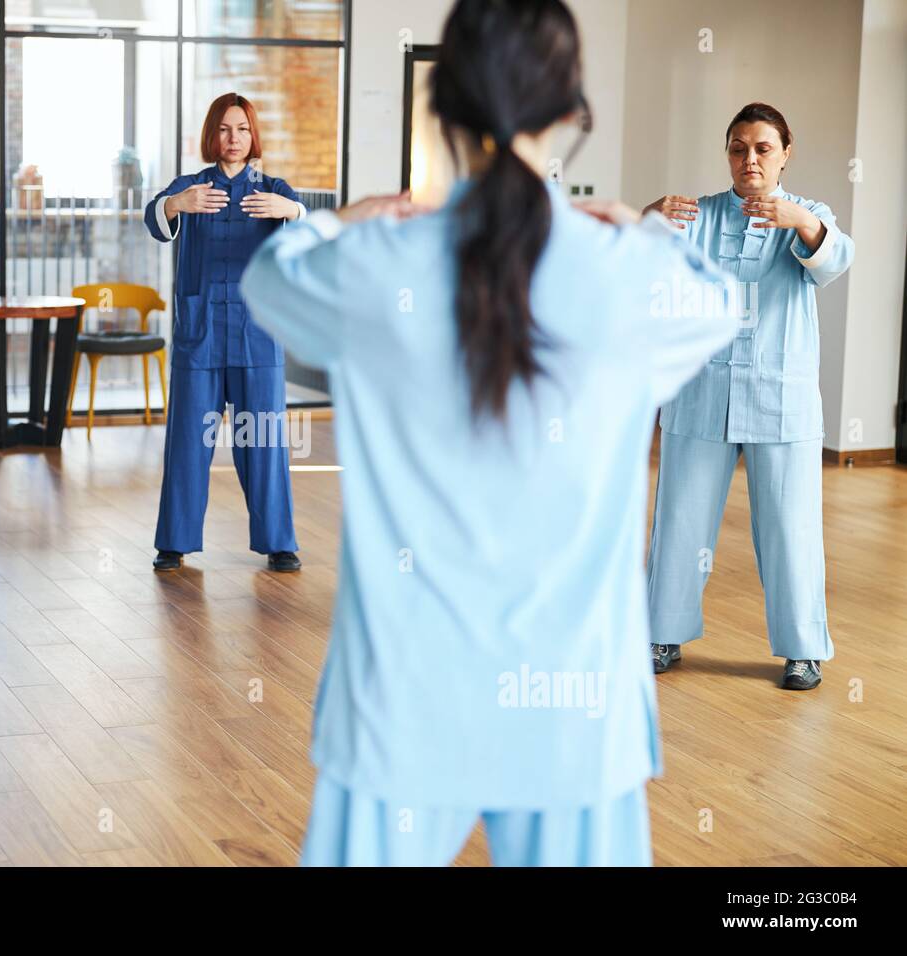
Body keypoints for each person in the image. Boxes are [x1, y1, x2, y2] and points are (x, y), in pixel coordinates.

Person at [240, 0, 740, 866]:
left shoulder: (376, 265)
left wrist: (346, 218)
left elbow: (269, 280)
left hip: (403, 701)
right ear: (571, 111)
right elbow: (721, 303)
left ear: (444, 107)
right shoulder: (629, 277)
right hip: (575, 709)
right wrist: (646, 229)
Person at [642, 103, 854, 690]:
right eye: (739, 148)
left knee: (790, 528)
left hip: (780, 398)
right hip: (700, 394)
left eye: (763, 148)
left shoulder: (809, 215)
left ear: (786, 153)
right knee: (679, 521)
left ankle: (802, 650)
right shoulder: (697, 215)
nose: (750, 159)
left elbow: (835, 261)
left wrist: (800, 222)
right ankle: (661, 633)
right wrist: (646, 222)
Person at [143, 92, 307, 573]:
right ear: (211, 134)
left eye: (242, 129)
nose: (233, 138)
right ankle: (174, 542)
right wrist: (177, 204)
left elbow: (309, 235)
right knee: (188, 441)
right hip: (201, 334)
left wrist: (292, 211)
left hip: (258, 336)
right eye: (224, 129)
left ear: (253, 135)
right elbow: (154, 218)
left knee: (264, 442)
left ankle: (279, 542)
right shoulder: (192, 186)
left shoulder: (273, 189)